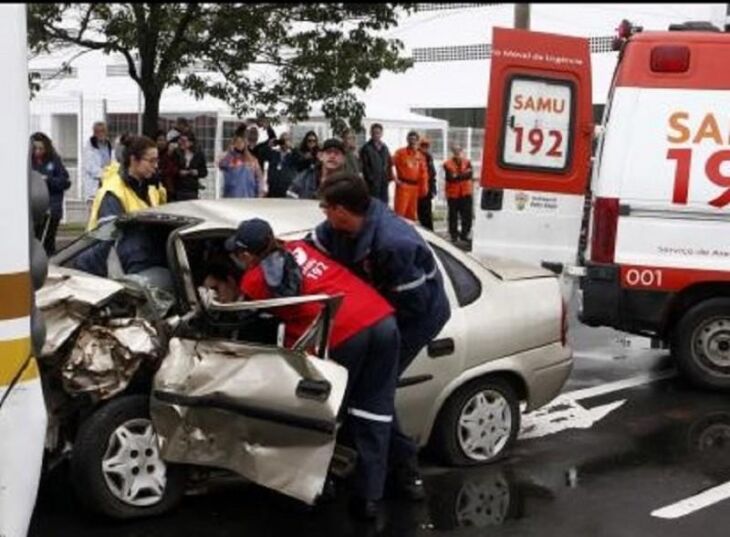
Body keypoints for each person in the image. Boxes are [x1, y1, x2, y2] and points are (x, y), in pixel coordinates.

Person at [225, 218, 400, 520]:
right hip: (381, 319)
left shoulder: (253, 280)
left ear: (246, 255)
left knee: (319, 415)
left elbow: (242, 321)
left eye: (238, 255)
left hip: (340, 333)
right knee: (375, 411)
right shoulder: (299, 248)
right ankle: (371, 497)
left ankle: (317, 487)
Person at [312, 173, 451, 502]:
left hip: (412, 320)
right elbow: (308, 251)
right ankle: (390, 465)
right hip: (376, 318)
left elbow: (412, 305)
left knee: (371, 393)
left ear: (342, 210)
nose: (323, 215)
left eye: (326, 208)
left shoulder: (393, 243)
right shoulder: (337, 228)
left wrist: (363, 318)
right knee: (369, 392)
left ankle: (404, 468)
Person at [76, 136, 168, 277]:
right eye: (151, 161)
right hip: (108, 271)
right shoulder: (113, 192)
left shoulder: (151, 187)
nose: (156, 166)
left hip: (142, 260)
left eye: (157, 161)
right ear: (133, 160)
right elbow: (109, 241)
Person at [30, 132, 71, 256]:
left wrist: (48, 180)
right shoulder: (27, 161)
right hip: (34, 208)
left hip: (51, 209)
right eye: (35, 148)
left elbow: (65, 182)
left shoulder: (54, 160)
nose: (37, 151)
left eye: (41, 148)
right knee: (34, 241)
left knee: (48, 242)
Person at [392, 131, 428, 222]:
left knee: (411, 214)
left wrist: (424, 188)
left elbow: (423, 173)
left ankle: (409, 234)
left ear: (417, 141)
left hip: (415, 188)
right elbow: (389, 165)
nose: (412, 141)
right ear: (407, 139)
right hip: (403, 186)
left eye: (414, 139)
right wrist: (395, 179)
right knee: (400, 212)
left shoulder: (420, 156)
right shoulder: (400, 153)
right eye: (411, 139)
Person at [443, 144, 474, 243]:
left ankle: (464, 235)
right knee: (453, 216)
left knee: (467, 215)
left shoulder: (467, 162)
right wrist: (462, 175)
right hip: (453, 194)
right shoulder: (447, 164)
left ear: (461, 151)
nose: (457, 152)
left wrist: (457, 176)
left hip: (465, 193)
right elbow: (450, 178)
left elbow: (469, 175)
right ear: (452, 152)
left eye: (458, 150)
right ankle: (454, 235)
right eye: (455, 150)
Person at [218, 134, 265, 198]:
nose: (239, 144)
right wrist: (230, 152)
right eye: (237, 142)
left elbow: (259, 177)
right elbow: (221, 165)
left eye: (242, 142)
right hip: (232, 196)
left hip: (249, 195)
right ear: (234, 144)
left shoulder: (252, 160)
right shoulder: (229, 158)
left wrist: (260, 192)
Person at [359, 123, 394, 204]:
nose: (376, 135)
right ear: (370, 133)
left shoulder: (384, 147)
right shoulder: (366, 148)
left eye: (378, 133)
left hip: (383, 181)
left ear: (382, 134)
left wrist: (389, 177)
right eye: (374, 132)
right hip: (372, 184)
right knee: (373, 204)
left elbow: (389, 163)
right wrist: (371, 179)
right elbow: (364, 166)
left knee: (384, 203)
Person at [82, 121, 113, 209]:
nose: (100, 133)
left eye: (103, 131)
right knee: (93, 214)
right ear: (94, 132)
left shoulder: (108, 145)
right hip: (94, 185)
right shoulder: (89, 147)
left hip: (107, 183)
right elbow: (91, 168)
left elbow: (112, 162)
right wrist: (105, 174)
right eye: (98, 131)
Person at [259, 131, 298, 198]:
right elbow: (261, 154)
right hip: (273, 188)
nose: (284, 142)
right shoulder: (274, 153)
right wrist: (269, 145)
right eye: (282, 140)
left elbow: (301, 159)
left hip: (287, 189)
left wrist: (292, 147)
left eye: (287, 140)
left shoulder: (293, 155)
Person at [173, 132, 208, 201]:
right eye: (180, 140)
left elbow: (204, 172)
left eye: (184, 141)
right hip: (179, 188)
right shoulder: (176, 153)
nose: (181, 143)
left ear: (191, 143)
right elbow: (172, 168)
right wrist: (179, 172)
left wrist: (197, 172)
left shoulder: (199, 155)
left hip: (192, 189)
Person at [416, 138, 437, 231]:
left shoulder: (429, 157)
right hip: (418, 188)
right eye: (423, 145)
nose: (425, 147)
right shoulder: (416, 156)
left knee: (427, 211)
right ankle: (423, 230)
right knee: (420, 211)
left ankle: (429, 230)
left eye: (426, 146)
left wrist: (433, 189)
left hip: (427, 187)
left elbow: (432, 174)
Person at [154, 129, 179, 200]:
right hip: (155, 187)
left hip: (169, 187)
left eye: (163, 140)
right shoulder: (152, 153)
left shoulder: (171, 153)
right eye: (159, 140)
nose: (161, 142)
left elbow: (174, 169)